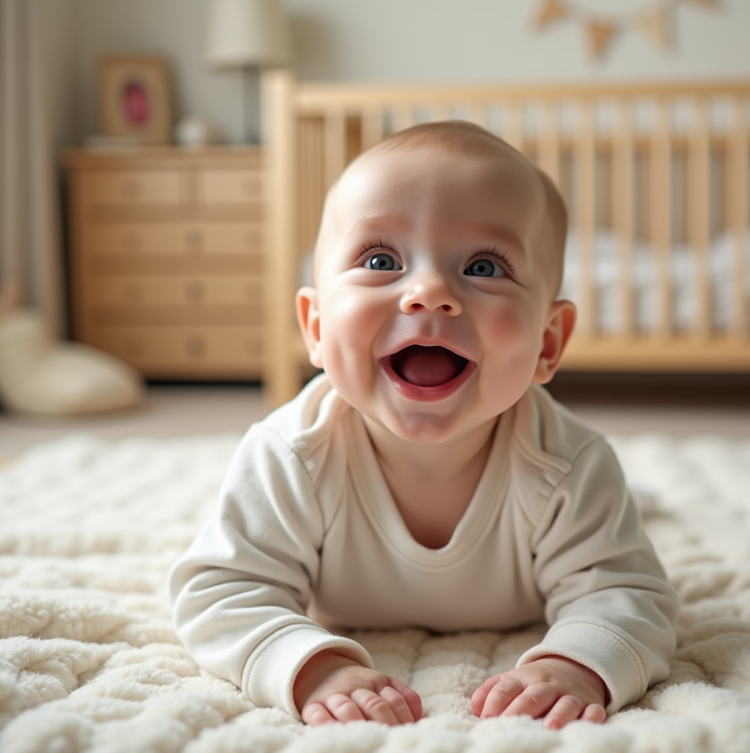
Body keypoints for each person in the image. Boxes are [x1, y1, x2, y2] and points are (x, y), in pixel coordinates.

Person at [168, 121, 678, 730]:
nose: (430, 292)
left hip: (565, 497)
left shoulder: (569, 466)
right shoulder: (293, 453)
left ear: (547, 343)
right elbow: (220, 591)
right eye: (381, 260)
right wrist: (312, 668)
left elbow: (627, 594)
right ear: (316, 327)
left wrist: (576, 665)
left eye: (484, 266)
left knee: (612, 513)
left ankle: (631, 502)